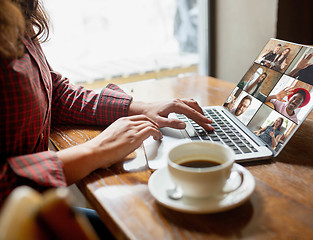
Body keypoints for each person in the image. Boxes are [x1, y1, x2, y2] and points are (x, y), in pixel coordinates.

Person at [0, 0, 213, 238]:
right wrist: (97, 150)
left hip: (38, 212)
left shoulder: (18, 9)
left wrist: (138, 107)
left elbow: (54, 93)